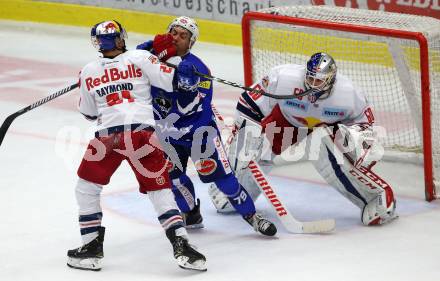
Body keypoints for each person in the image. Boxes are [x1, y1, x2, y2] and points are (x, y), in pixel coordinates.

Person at [67, 20, 207, 272]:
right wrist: (185, 73)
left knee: (86, 189)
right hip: (142, 135)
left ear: (98, 43)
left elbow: (87, 113)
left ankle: (90, 247)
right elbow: (176, 82)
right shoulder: (140, 57)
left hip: (106, 139)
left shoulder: (88, 70)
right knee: (160, 190)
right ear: (120, 39)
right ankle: (181, 244)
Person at [209, 52, 397, 226]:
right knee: (255, 150)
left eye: (319, 81)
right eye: (310, 78)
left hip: (326, 128)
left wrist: (355, 145)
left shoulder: (348, 94)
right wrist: (246, 134)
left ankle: (375, 196)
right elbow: (249, 103)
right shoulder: (282, 78)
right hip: (286, 120)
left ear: (331, 80)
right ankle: (237, 193)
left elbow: (365, 126)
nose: (313, 85)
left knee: (332, 159)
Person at [136, 16, 277, 236]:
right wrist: (136, 56)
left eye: (183, 36)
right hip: (168, 135)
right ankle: (191, 212)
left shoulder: (198, 69)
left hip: (199, 134)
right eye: (173, 32)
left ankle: (251, 216)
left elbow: (189, 108)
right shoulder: (151, 61)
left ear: (191, 43)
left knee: (224, 181)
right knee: (173, 178)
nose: (176, 38)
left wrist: (186, 84)